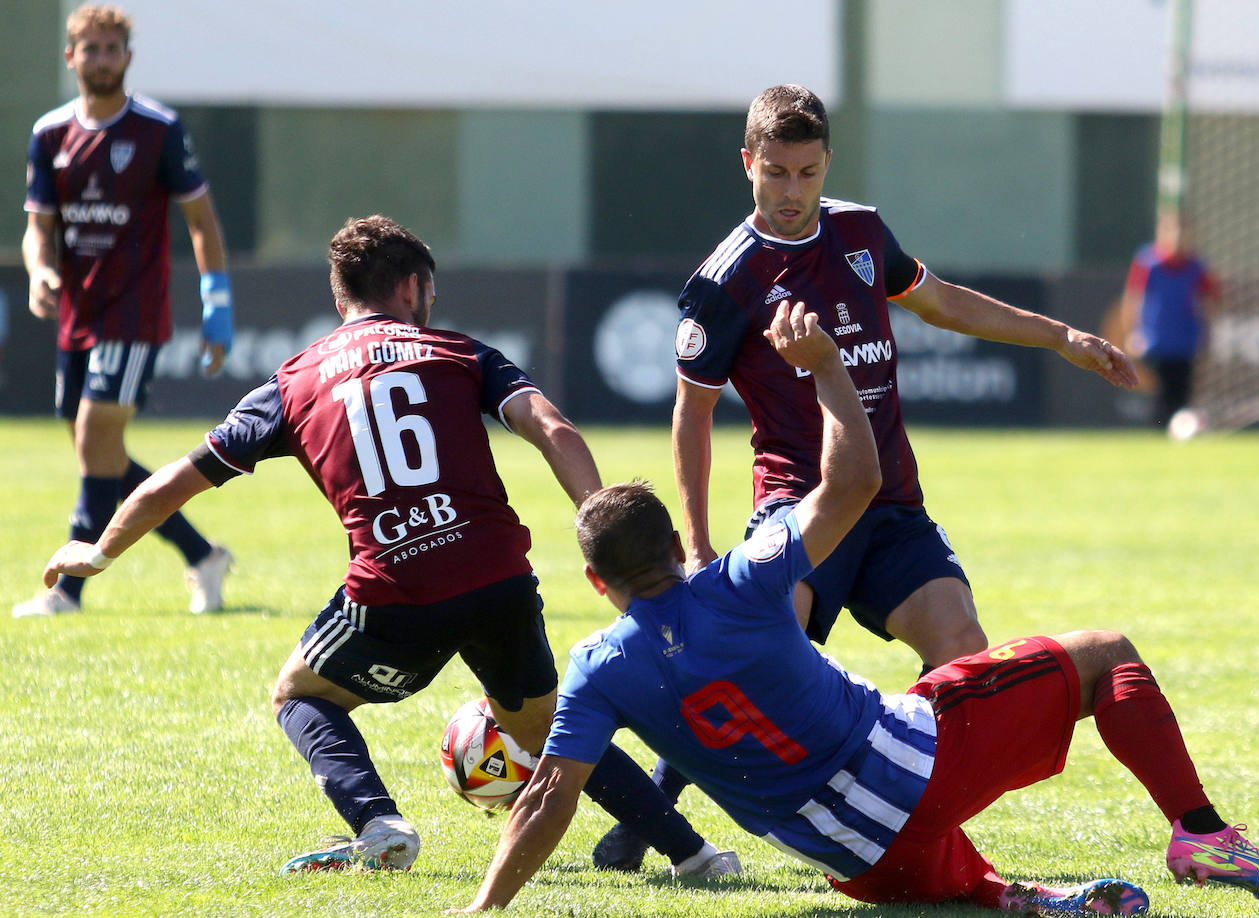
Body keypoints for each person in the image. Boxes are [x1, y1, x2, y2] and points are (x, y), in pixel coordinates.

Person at [459, 301, 1259, 915]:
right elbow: (858, 484)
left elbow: (544, 801)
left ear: (595, 584)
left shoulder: (597, 668)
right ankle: (1200, 835)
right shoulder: (745, 575)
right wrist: (828, 367)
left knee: (945, 871)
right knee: (1104, 651)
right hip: (913, 776)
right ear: (677, 553)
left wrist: (483, 910)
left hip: (850, 860)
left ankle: (1014, 897)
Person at [41, 214, 738, 878]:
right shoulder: (461, 352)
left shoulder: (291, 383)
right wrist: (600, 529)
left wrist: (97, 553)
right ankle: (695, 855)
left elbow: (174, 483)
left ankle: (379, 824)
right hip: (497, 573)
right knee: (544, 731)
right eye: (428, 290)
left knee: (298, 693)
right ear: (410, 288)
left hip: (394, 590)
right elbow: (550, 426)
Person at [596, 81, 1141, 870]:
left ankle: (915, 806)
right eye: (775, 173)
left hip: (890, 503)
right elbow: (692, 417)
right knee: (752, 655)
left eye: (807, 173)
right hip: (801, 503)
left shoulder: (860, 231)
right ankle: (648, 819)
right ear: (747, 162)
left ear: (826, 165)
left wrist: (1061, 337)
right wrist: (703, 544)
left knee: (962, 648)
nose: (791, 193)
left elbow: (942, 301)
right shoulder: (724, 283)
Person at [16, 4, 234, 618]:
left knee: (94, 436)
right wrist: (40, 269)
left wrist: (217, 307)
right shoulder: (50, 134)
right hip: (78, 314)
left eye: (113, 49)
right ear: (71, 57)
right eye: (92, 49)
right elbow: (38, 228)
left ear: (128, 58)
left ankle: (68, 590)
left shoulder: (158, 130)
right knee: (98, 451)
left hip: (134, 313)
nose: (103, 59)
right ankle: (202, 553)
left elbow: (200, 220)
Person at [1119, 207, 1218, 429]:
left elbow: (1209, 303)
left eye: (1183, 229)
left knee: (1181, 393)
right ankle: (1162, 433)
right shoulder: (1147, 263)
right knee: (1163, 393)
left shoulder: (1197, 266)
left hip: (1185, 340)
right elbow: (1133, 299)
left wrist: (1207, 335)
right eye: (1171, 229)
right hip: (1157, 340)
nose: (1178, 235)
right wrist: (1133, 333)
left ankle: (1175, 435)